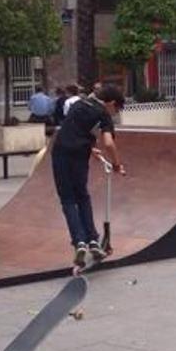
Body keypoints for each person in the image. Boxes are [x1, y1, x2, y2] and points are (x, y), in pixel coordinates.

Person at [53, 85, 125, 267]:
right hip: (78, 157)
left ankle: (80, 242)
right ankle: (92, 239)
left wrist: (91, 147)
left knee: (68, 200)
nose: (114, 114)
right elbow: (108, 143)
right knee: (82, 197)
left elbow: (74, 129)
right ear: (112, 103)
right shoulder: (104, 115)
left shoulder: (80, 103)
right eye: (116, 110)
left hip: (60, 152)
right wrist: (117, 164)